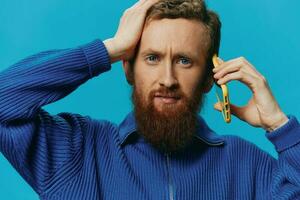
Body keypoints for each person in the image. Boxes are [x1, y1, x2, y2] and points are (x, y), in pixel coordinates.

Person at [0, 0, 299, 199]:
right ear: (128, 67)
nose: (167, 79)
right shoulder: (78, 153)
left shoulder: (245, 164)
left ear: (211, 77)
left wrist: (281, 127)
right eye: (152, 57)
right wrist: (110, 49)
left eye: (184, 61)